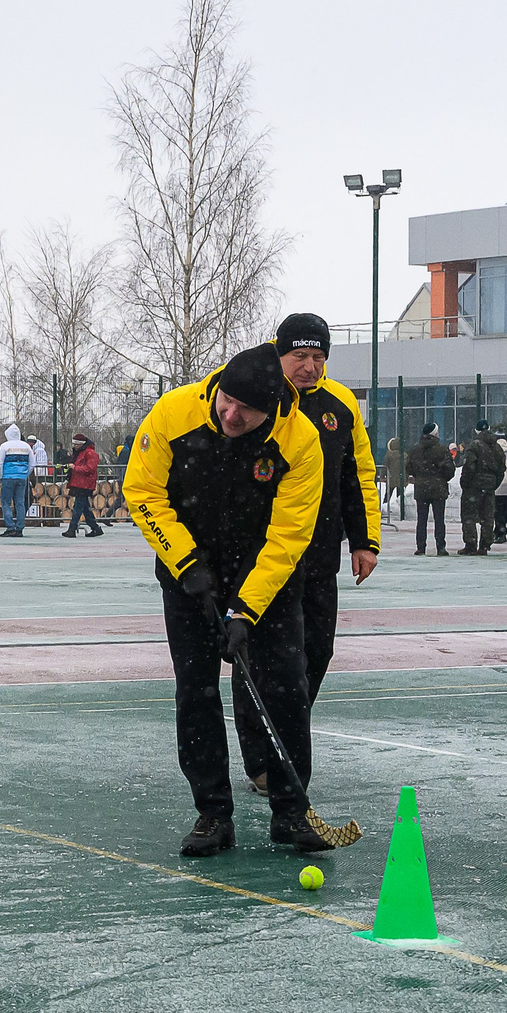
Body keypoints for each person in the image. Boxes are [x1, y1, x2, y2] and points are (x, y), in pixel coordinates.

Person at [124, 342, 361, 858]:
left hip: (267, 578)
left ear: (272, 407)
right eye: (225, 401)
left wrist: (246, 609)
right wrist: (187, 564)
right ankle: (212, 813)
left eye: (245, 410)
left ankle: (291, 812)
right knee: (197, 691)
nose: (230, 415)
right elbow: (142, 492)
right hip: (190, 574)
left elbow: (289, 537)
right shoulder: (175, 412)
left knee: (286, 688)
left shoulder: (300, 441)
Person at [271, 313, 380, 724]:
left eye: (318, 357)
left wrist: (364, 541)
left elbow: (357, 476)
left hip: (320, 555)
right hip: (266, 553)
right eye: (300, 355)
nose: (310, 366)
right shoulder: (257, 396)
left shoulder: (340, 402)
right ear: (280, 353)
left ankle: (287, 732)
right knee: (271, 655)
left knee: (317, 649)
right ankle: (266, 754)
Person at [406, 423, 454, 555]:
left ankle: (421, 547)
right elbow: (450, 470)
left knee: (421, 520)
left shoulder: (415, 449)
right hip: (438, 488)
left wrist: (420, 476)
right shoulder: (442, 450)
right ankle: (440, 546)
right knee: (439, 519)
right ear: (435, 434)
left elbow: (409, 468)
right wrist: (441, 478)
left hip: (421, 488)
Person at [459, 421, 505, 554]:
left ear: (476, 431)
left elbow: (469, 466)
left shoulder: (474, 446)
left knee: (469, 515)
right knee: (487, 516)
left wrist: (465, 483)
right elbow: (502, 468)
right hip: (489, 485)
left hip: (474, 486)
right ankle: (485, 545)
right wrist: (494, 483)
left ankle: (470, 544)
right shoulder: (496, 447)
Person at [62, 431, 105, 537]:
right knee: (84, 507)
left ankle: (72, 529)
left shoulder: (90, 453)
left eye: (77, 444)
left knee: (78, 507)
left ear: (82, 443)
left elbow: (90, 468)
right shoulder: (82, 452)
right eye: (74, 444)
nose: (75, 446)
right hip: (80, 483)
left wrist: (75, 468)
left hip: (85, 484)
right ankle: (95, 528)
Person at [0, 422, 35, 536]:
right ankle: (19, 527)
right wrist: (25, 474)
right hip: (21, 478)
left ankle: (10, 527)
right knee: (20, 502)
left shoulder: (5, 446)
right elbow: (32, 464)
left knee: (6, 502)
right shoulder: (26, 446)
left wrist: (1, 476)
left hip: (8, 477)